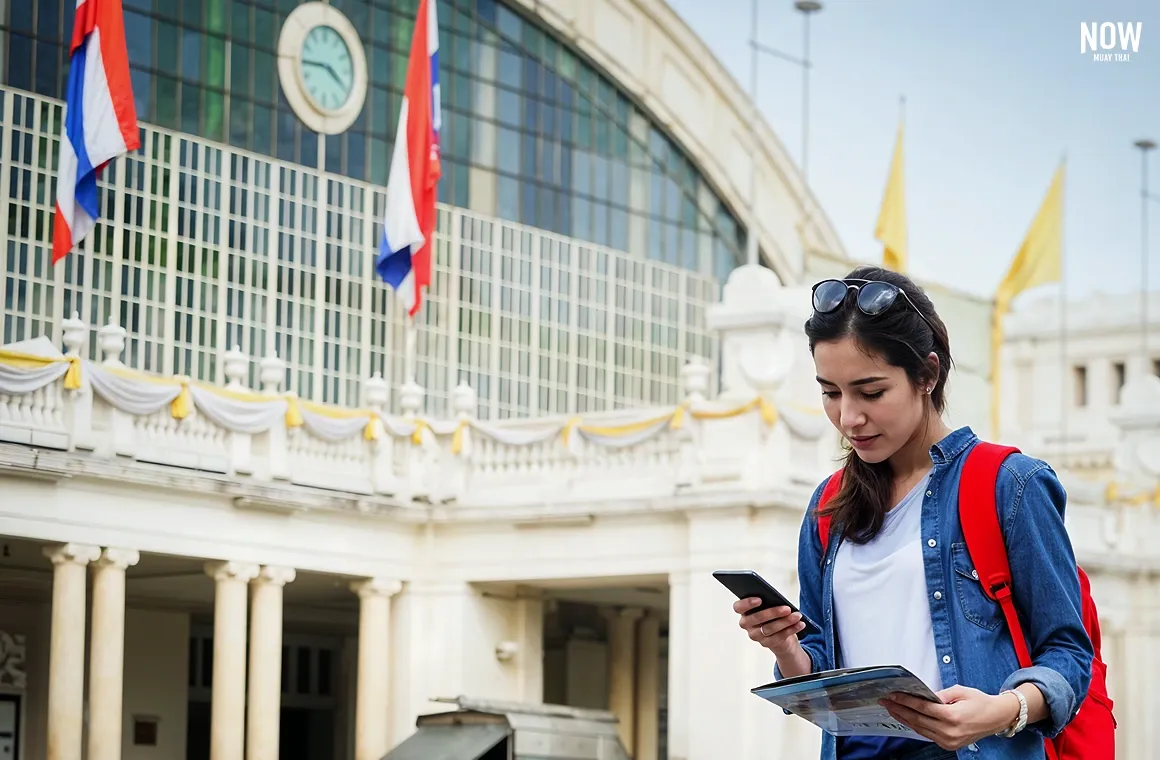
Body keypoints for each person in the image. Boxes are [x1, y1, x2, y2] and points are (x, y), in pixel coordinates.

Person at [733, 267, 1093, 760]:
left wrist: (1003, 710)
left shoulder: (1009, 484)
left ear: (928, 373)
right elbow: (819, 669)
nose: (849, 417)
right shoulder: (828, 505)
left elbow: (1070, 654)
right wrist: (784, 647)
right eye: (830, 392)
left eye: (871, 392)